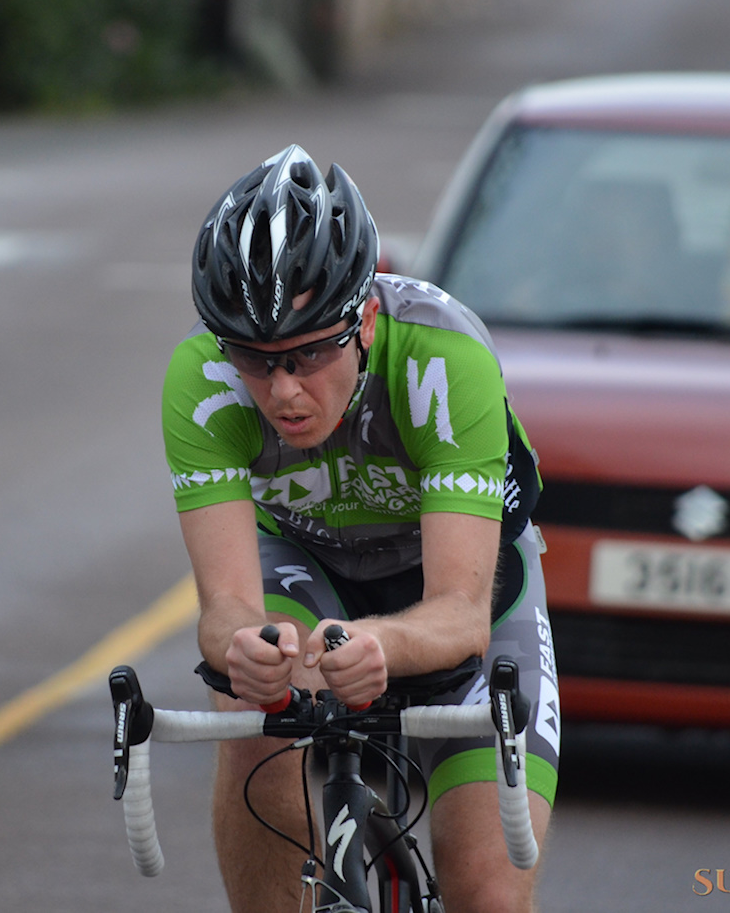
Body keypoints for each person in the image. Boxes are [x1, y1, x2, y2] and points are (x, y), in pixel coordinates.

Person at [161, 144, 558, 913]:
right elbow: (228, 617)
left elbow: (458, 615)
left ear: (366, 318)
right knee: (251, 705)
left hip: (466, 581)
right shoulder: (202, 381)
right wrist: (247, 651)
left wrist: (384, 644)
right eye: (253, 356)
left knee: (488, 894)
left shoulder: (444, 358)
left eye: (310, 353)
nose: (283, 390)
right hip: (310, 566)